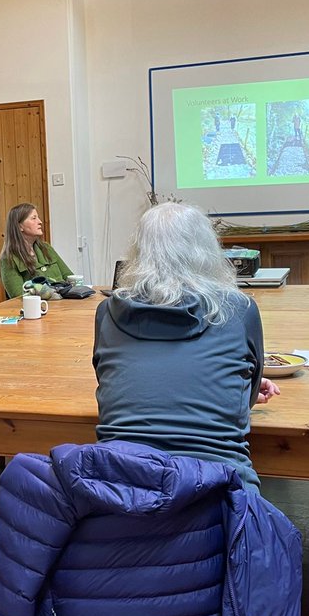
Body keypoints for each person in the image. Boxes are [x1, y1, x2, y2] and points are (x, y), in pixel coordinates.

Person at [92, 202, 280, 491]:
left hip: (120, 491)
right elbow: (247, 402)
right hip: (218, 495)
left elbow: (114, 384)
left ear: (139, 252)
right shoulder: (239, 309)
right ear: (206, 250)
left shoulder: (108, 312)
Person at [0, 203, 74, 298]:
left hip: (66, 304)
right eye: (33, 218)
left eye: (38, 218)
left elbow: (69, 277)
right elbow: (18, 297)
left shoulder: (46, 248)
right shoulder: (8, 258)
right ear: (19, 227)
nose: (40, 222)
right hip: (38, 310)